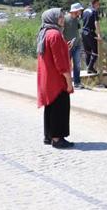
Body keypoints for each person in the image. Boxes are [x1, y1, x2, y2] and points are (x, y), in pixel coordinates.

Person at [36, 8, 75, 149]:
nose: (62, 19)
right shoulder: (55, 34)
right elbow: (61, 63)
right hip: (57, 79)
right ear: (52, 19)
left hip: (47, 78)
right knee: (60, 108)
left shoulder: (44, 32)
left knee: (50, 108)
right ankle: (58, 139)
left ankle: (49, 136)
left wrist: (65, 47)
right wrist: (69, 82)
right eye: (59, 17)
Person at [64, 3, 85, 89]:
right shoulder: (65, 19)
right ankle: (66, 82)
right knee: (67, 64)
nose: (80, 12)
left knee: (77, 64)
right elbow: (61, 32)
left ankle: (77, 83)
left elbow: (78, 30)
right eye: (79, 10)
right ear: (75, 11)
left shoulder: (77, 19)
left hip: (77, 45)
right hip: (67, 46)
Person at [81, 0, 102, 74]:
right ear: (95, 3)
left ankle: (88, 68)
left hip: (83, 32)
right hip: (90, 32)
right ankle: (90, 67)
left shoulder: (85, 11)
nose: (99, 6)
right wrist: (99, 35)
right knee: (96, 50)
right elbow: (96, 23)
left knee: (87, 51)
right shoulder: (94, 11)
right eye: (98, 4)